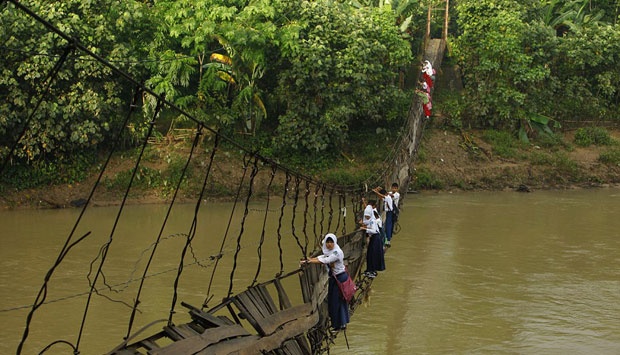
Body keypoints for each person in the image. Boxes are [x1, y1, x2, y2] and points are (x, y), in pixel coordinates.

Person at [300, 233, 350, 330]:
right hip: (334, 279)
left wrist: (311, 261)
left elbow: (327, 260)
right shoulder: (329, 252)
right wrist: (309, 260)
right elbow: (323, 257)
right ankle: (340, 323)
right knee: (334, 301)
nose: (329, 244)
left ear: (334, 242)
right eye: (327, 242)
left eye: (331, 242)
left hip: (339, 278)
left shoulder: (337, 252)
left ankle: (338, 325)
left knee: (337, 301)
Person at [359, 200, 385, 277]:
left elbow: (373, 230)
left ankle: (372, 271)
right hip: (374, 238)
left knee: (372, 254)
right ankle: (369, 270)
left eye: (367, 216)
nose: (366, 217)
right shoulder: (371, 218)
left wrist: (365, 229)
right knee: (370, 254)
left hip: (375, 238)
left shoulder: (373, 220)